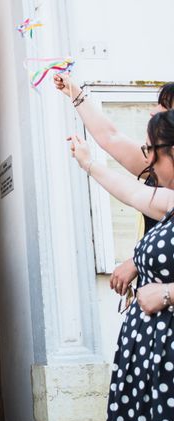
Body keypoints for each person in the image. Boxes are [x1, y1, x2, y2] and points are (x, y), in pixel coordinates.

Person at [69, 110, 174, 421]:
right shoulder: (171, 202)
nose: (147, 160)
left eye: (151, 151)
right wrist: (88, 164)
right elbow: (130, 192)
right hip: (152, 357)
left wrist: (168, 293)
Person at [54, 75, 174, 297]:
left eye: (164, 107)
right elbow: (111, 138)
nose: (153, 111)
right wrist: (76, 93)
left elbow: (134, 192)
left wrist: (160, 289)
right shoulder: (159, 167)